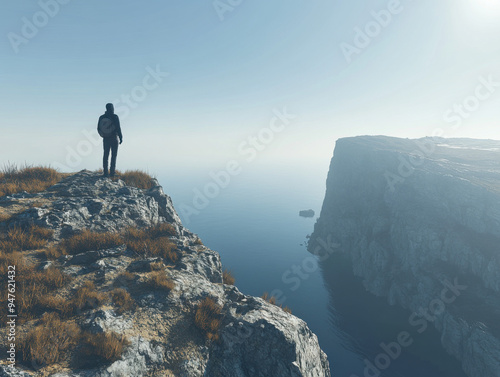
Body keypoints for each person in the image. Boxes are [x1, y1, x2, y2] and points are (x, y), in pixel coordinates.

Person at [97, 103, 123, 177]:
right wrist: (121, 137)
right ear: (111, 108)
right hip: (114, 138)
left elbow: (98, 128)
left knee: (105, 155)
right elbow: (118, 127)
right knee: (113, 155)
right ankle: (112, 172)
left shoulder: (102, 117)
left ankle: (105, 172)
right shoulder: (115, 117)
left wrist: (103, 135)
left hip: (106, 139)